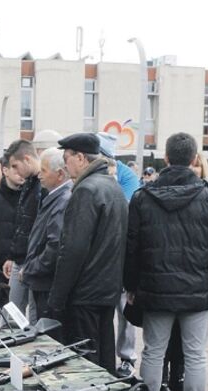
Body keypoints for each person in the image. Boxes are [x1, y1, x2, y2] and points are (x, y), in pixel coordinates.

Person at [124, 132, 208, 391]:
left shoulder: (143, 197)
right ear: (195, 159)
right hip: (197, 290)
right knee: (195, 354)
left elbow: (132, 248)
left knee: (153, 351)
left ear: (166, 158)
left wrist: (130, 286)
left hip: (155, 290)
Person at [48, 132, 127, 374]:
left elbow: (72, 249)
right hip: (106, 289)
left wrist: (56, 298)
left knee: (86, 365)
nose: (65, 164)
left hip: (86, 291)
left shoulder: (86, 190)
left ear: (81, 158)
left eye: (67, 158)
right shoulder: (112, 186)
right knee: (103, 358)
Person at [97, 132, 143, 378]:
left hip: (123, 255)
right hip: (103, 257)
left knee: (124, 310)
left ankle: (126, 358)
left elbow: (122, 211)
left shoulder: (126, 176)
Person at [21, 147, 71, 321]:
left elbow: (54, 245)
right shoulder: (54, 197)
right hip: (42, 280)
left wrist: (31, 268)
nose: (39, 175)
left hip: (46, 282)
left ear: (59, 174)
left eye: (43, 171)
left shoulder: (63, 200)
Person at [3, 139, 41, 323]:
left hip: (33, 261)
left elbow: (41, 230)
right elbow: (22, 223)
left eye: (15, 166)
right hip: (22, 259)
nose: (15, 172)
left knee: (33, 317)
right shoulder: (30, 184)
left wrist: (31, 262)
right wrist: (12, 255)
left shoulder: (41, 186)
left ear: (27, 159)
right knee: (11, 317)